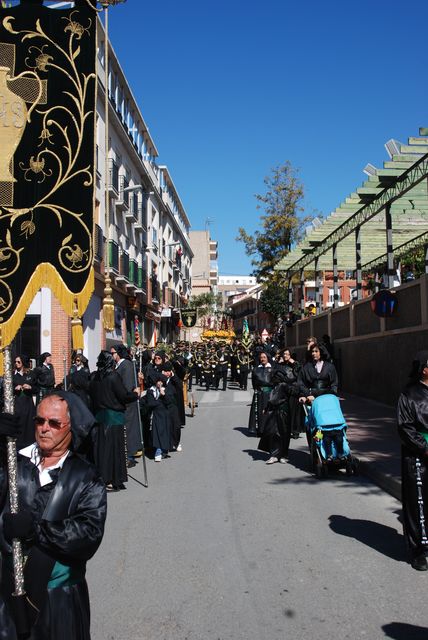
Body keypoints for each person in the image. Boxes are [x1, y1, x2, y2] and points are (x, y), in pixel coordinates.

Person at [0, 392, 107, 639]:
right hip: (9, 596)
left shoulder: (85, 477)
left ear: (71, 428)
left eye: (54, 423)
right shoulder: (15, 463)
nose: (44, 428)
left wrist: (36, 530)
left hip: (60, 600)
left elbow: (89, 534)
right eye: (39, 421)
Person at [89, 351, 138, 491]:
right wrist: (135, 394)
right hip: (113, 418)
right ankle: (110, 479)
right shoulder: (113, 377)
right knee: (113, 450)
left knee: (102, 450)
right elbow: (123, 396)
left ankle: (104, 478)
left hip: (99, 417)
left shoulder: (94, 377)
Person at [397, 351, 428, 570]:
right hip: (418, 456)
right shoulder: (408, 395)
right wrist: (424, 448)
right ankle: (418, 549)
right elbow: (405, 428)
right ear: (424, 369)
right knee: (418, 503)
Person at [299, 343, 340, 459]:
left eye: (316, 351)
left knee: (329, 424)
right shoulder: (306, 367)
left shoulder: (329, 366)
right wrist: (306, 395)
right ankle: (315, 452)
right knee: (313, 426)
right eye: (312, 351)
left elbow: (334, 384)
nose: (314, 354)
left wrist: (332, 395)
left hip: (326, 399)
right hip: (311, 400)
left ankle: (334, 450)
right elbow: (301, 383)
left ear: (321, 352)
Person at [110, 344, 141, 466]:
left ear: (118, 353)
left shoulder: (126, 366)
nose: (112, 355)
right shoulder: (118, 366)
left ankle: (129, 456)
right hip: (121, 403)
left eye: (113, 353)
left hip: (127, 403)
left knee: (129, 431)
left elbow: (127, 387)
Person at [248, 351, 275, 437]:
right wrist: (258, 390)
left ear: (268, 358)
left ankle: (268, 430)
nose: (262, 359)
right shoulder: (256, 369)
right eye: (261, 357)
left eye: (264, 357)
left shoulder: (272, 368)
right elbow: (254, 382)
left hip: (269, 393)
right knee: (259, 412)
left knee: (268, 412)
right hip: (259, 393)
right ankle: (260, 430)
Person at [13, 354, 36, 449]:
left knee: (30, 423)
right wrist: (15, 388)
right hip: (18, 403)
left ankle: (30, 445)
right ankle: (19, 444)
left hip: (28, 403)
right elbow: (8, 389)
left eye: (18, 362)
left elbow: (36, 388)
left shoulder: (29, 375)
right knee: (20, 423)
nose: (16, 363)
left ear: (23, 363)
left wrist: (30, 387)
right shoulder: (13, 376)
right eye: (15, 362)